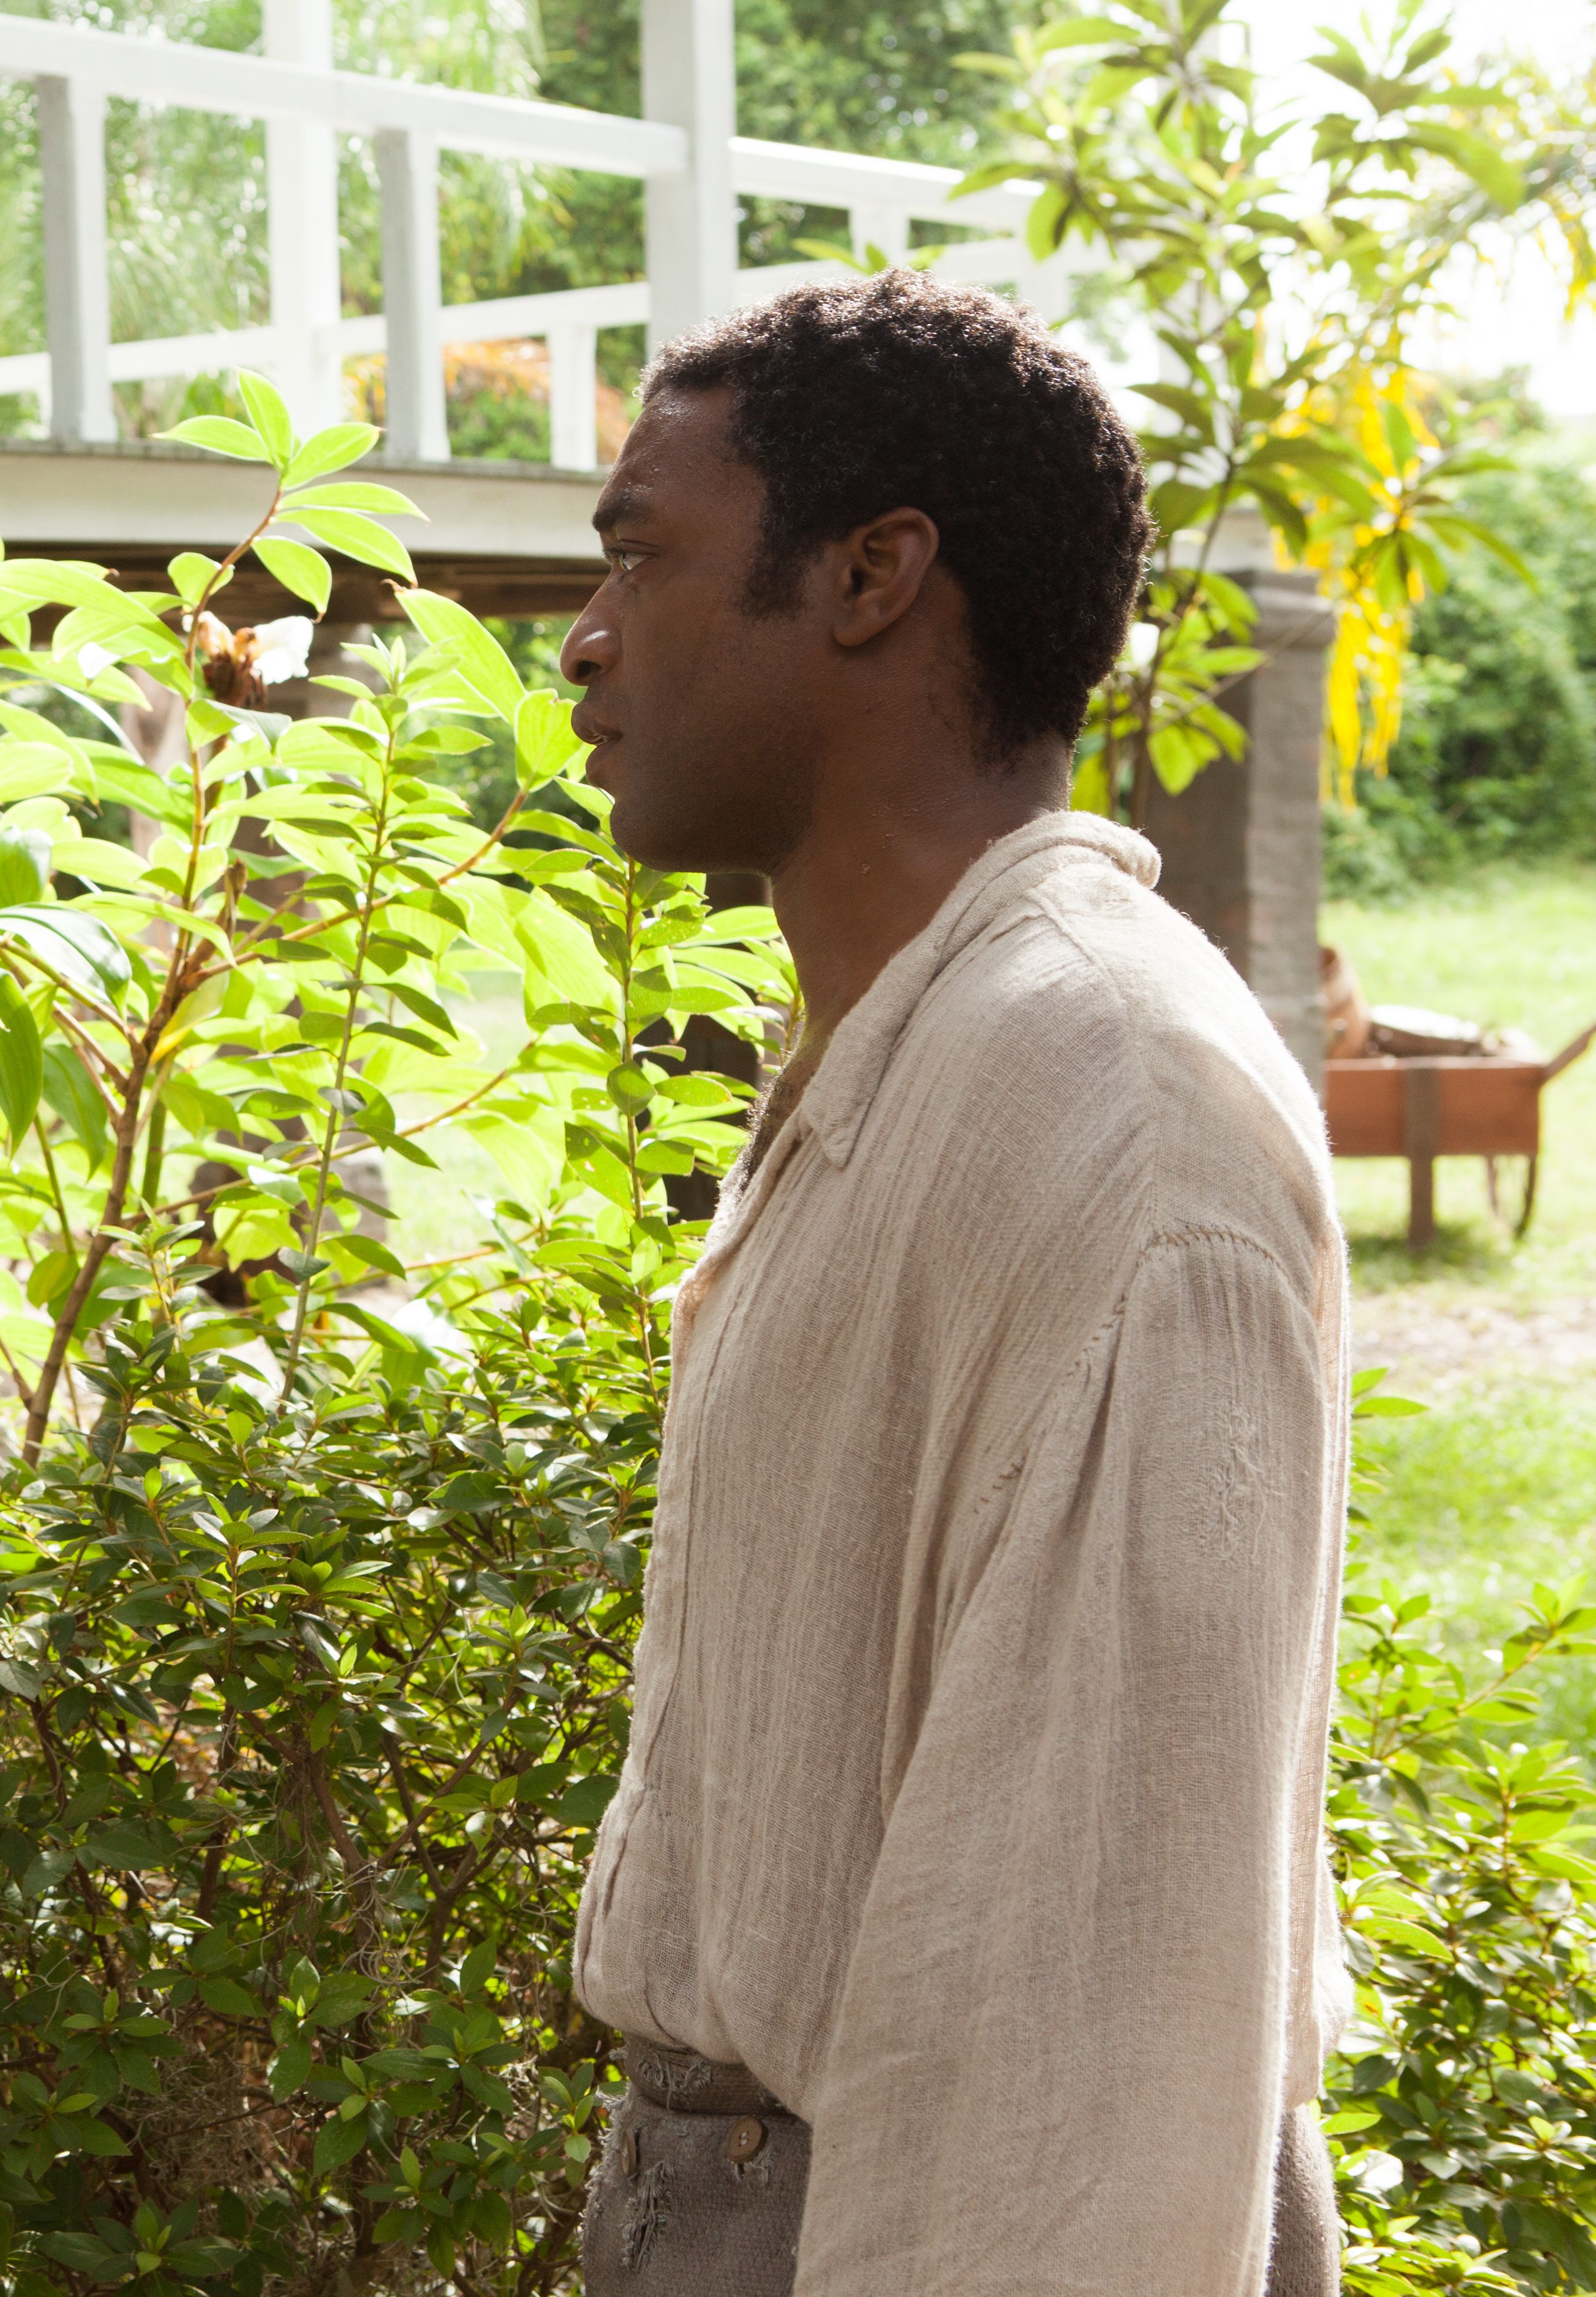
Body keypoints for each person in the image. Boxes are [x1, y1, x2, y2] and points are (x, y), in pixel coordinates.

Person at [559, 268, 1346, 2295]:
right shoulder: (915, 1052)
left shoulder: (1114, 1119)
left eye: (640, 561)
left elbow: (1094, 2010)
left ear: (870, 578)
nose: (580, 642)